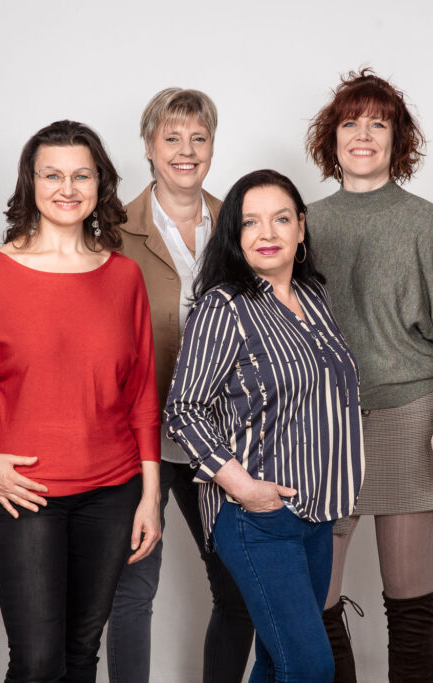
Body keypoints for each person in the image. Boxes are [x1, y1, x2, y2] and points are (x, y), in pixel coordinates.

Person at [0, 120, 162, 683]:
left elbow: (141, 395)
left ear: (100, 183)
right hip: (25, 494)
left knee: (82, 654)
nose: (68, 188)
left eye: (82, 175)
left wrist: (150, 496)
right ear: (30, 183)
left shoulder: (125, 277)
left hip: (113, 492)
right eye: (52, 175)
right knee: (36, 662)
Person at [164, 169, 364, 683]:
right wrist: (244, 488)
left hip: (318, 512)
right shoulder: (222, 307)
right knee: (310, 666)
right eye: (251, 222)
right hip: (257, 516)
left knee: (279, 663)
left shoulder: (313, 298)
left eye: (281, 219)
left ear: (301, 227)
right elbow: (183, 410)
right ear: (235, 234)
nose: (267, 233)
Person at [305, 69, 433, 681]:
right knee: (316, 600)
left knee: (410, 594)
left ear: (398, 139)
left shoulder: (426, 222)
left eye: (378, 123)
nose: (363, 135)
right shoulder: (302, 222)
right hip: (324, 425)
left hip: (409, 418)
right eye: (350, 123)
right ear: (332, 139)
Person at [108, 88, 254, 683]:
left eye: (198, 137)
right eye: (172, 137)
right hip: (138, 437)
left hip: (220, 437)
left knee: (239, 590)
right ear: (149, 147)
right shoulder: (112, 231)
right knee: (132, 590)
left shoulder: (242, 224)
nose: (186, 150)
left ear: (213, 145)